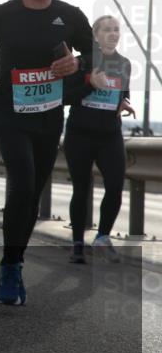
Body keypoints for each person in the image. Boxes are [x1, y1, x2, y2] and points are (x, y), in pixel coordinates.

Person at [0, 0, 92, 306]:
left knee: (31, 193)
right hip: (9, 111)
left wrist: (77, 62)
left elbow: (96, 53)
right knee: (22, 183)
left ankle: (15, 258)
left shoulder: (70, 16)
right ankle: (10, 266)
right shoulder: (2, 13)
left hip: (49, 115)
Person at [63, 15, 135, 263]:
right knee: (82, 189)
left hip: (110, 135)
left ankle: (102, 238)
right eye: (107, 30)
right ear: (96, 34)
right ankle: (77, 244)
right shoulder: (82, 61)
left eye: (116, 30)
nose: (113, 34)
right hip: (79, 134)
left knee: (115, 185)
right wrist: (89, 85)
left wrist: (125, 101)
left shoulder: (125, 64)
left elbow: (122, 92)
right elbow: (66, 96)